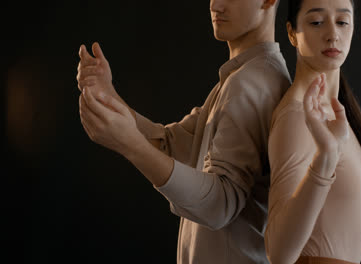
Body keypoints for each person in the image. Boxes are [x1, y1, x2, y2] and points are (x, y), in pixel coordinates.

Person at [76, 0, 291, 263]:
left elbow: (220, 204)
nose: (215, 4)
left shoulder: (252, 83)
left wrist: (131, 146)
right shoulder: (243, 77)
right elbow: (169, 143)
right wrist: (109, 97)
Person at [264, 0, 361, 263]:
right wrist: (326, 156)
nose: (332, 34)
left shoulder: (342, 116)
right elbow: (279, 253)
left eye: (342, 22)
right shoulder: (297, 119)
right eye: (316, 22)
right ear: (292, 33)